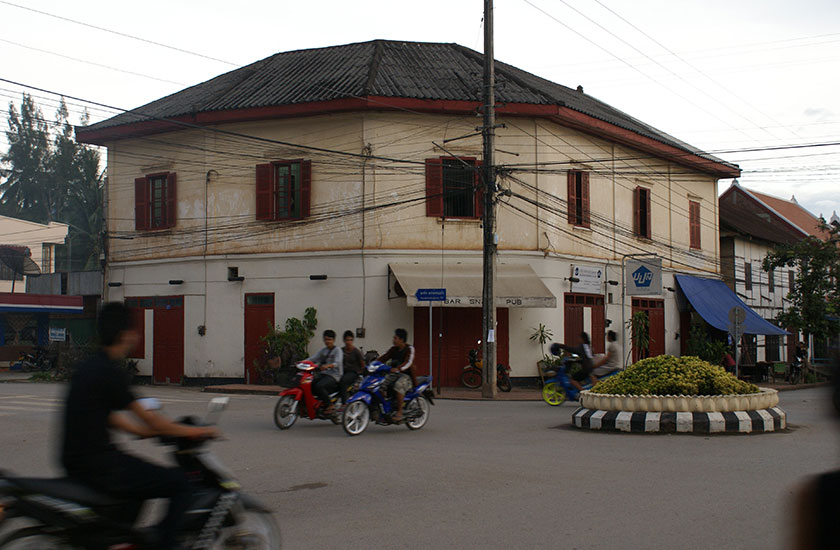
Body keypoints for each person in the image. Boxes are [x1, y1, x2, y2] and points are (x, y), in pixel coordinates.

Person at [61, 302, 217, 550]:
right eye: (135, 330)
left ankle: (122, 542)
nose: (137, 335)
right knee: (180, 484)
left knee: (140, 487)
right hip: (101, 465)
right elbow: (149, 418)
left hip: (76, 462)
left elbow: (112, 417)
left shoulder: (89, 367)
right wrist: (197, 431)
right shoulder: (110, 372)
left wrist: (146, 432)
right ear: (125, 335)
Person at [376, 328, 416, 422]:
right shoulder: (393, 349)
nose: (393, 340)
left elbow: (408, 362)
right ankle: (386, 408)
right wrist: (372, 364)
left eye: (395, 338)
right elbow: (384, 357)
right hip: (393, 374)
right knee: (381, 385)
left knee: (398, 386)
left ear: (401, 339)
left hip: (406, 376)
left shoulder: (410, 349)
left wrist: (399, 369)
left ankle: (400, 411)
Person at [306, 329, 343, 415]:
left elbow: (338, 362)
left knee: (319, 386)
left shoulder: (337, 350)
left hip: (335, 375)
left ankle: (330, 405)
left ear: (333, 340)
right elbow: (313, 358)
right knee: (309, 383)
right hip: (324, 374)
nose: (327, 342)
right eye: (326, 339)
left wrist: (328, 365)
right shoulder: (323, 350)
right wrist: (301, 363)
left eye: (329, 339)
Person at [340, 330, 365, 404]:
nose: (349, 342)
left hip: (353, 372)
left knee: (343, 381)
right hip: (343, 371)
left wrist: (360, 372)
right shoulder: (341, 351)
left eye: (351, 340)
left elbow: (362, 364)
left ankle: (344, 403)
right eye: (347, 340)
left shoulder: (356, 352)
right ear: (344, 340)